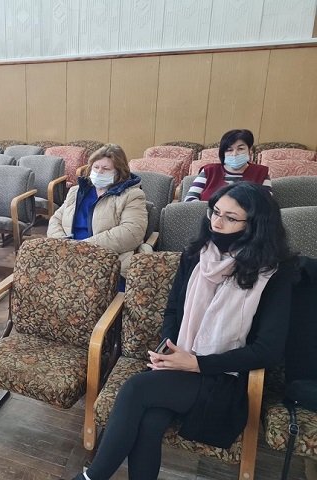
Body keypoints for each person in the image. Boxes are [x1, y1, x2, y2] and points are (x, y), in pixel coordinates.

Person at [74, 182, 297, 480]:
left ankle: (92, 477)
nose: (217, 222)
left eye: (230, 218)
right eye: (214, 212)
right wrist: (169, 349)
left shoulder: (274, 272)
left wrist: (195, 363)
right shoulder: (196, 255)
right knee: (150, 423)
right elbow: (173, 311)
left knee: (136, 389)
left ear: (255, 225)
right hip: (181, 361)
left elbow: (267, 351)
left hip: (225, 377)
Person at [47, 143, 147, 277]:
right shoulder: (76, 191)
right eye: (96, 167)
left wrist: (84, 247)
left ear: (118, 172)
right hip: (68, 257)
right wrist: (63, 244)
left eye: (106, 168)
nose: (99, 172)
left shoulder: (132, 195)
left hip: (106, 262)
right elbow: (56, 220)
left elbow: (131, 232)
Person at [185, 129, 271, 201]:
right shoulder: (209, 171)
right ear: (223, 153)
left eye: (240, 149)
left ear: (250, 150)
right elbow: (189, 199)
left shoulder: (261, 173)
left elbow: (267, 204)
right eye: (229, 150)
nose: (235, 154)